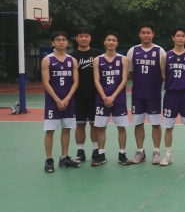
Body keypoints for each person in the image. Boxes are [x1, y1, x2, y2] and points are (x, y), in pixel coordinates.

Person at [127, 22, 166, 164]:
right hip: (138, 94)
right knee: (138, 123)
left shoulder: (160, 51)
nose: (146, 35)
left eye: (148, 32)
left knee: (155, 123)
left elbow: (163, 73)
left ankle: (156, 151)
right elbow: (131, 72)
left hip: (154, 94)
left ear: (153, 34)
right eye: (143, 33)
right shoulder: (133, 51)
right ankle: (140, 152)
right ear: (139, 34)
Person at [42, 31, 80, 172]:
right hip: (53, 101)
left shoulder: (72, 60)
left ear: (67, 42)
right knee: (50, 130)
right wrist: (58, 99)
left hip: (68, 101)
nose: (61, 42)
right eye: (58, 40)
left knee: (66, 129)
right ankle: (49, 161)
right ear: (53, 43)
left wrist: (67, 98)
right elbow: (46, 82)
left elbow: (76, 82)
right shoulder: (47, 60)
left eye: (64, 39)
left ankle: (64, 158)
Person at [160, 27, 185, 166]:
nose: (180, 38)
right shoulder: (166, 56)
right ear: (173, 38)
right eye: (178, 35)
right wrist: (173, 84)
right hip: (170, 95)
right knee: (169, 127)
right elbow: (163, 74)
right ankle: (168, 155)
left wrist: (184, 84)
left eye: (183, 36)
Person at [92, 31, 131, 166]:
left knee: (121, 127)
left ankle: (122, 154)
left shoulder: (123, 59)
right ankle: (101, 154)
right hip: (101, 99)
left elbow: (124, 79)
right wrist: (105, 97)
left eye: (114, 40)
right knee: (101, 128)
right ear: (104, 42)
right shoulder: (97, 60)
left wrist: (113, 96)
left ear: (117, 43)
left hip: (118, 99)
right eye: (108, 40)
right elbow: (96, 80)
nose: (111, 42)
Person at [70, 27, 103, 163]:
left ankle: (96, 150)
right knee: (80, 124)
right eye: (81, 36)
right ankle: (80, 151)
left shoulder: (98, 54)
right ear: (77, 38)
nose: (84, 38)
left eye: (86, 36)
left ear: (90, 38)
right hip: (78, 96)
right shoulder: (72, 56)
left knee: (95, 124)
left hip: (95, 96)